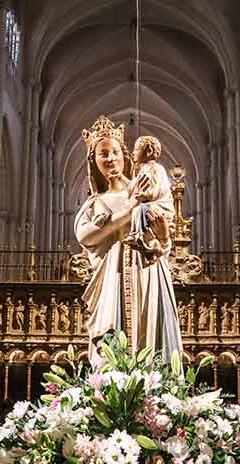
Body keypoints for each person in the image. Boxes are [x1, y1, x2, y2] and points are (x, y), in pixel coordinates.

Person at [75, 115, 182, 367]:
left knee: (151, 340)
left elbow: (165, 246)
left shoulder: (146, 191)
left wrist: (164, 235)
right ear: (94, 162)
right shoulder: (96, 203)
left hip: (148, 273)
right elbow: (85, 235)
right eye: (103, 154)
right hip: (113, 277)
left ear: (125, 156)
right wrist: (130, 206)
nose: (110, 159)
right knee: (111, 352)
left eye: (115, 152)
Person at [123, 135, 175, 265]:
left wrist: (145, 195)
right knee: (137, 211)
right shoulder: (141, 171)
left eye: (136, 149)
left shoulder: (157, 169)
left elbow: (160, 189)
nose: (133, 153)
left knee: (139, 210)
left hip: (157, 208)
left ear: (149, 152)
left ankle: (144, 241)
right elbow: (131, 188)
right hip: (144, 209)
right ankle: (142, 241)